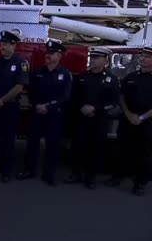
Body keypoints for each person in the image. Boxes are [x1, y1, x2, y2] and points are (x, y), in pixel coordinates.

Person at [17, 40, 72, 186]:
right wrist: (37, 105)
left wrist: (48, 106)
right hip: (37, 113)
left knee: (52, 146)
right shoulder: (37, 72)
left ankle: (49, 174)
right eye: (47, 53)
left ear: (59, 55)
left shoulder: (65, 74)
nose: (48, 55)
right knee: (32, 144)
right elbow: (31, 92)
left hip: (54, 115)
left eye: (52, 53)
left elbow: (65, 96)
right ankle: (29, 170)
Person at [64, 47, 119, 189]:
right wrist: (82, 107)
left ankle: (91, 177)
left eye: (97, 58)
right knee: (78, 147)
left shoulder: (111, 79)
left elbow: (113, 102)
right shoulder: (82, 77)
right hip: (82, 119)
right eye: (92, 57)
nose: (93, 60)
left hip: (99, 120)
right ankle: (75, 173)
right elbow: (74, 98)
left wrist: (96, 109)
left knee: (95, 149)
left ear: (105, 61)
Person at [104, 45, 152, 196]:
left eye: (147, 56)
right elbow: (121, 97)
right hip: (127, 120)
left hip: (147, 123)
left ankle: (140, 183)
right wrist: (128, 114)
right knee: (122, 149)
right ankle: (118, 176)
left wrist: (141, 117)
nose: (143, 58)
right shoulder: (131, 77)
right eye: (142, 55)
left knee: (144, 153)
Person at [0, 31, 29, 183]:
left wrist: (1, 101)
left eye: (5, 44)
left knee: (9, 140)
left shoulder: (20, 63)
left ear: (13, 45)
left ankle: (6, 171)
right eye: (1, 44)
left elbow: (19, 87)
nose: (1, 46)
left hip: (10, 107)